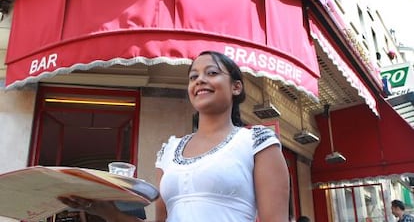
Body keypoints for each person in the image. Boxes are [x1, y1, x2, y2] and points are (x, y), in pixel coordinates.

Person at [59, 50, 290, 221]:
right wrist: (104, 210)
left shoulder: (256, 143)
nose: (199, 80)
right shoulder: (169, 150)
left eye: (212, 73)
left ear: (236, 87)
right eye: (193, 77)